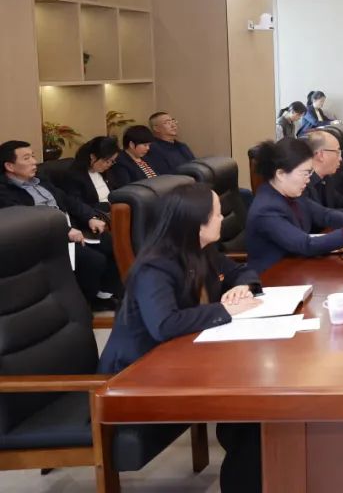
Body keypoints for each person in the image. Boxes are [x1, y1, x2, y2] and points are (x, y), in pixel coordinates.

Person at [97, 183, 264, 493]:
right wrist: (225, 310)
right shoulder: (155, 267)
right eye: (217, 214)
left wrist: (243, 286)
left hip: (181, 360)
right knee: (249, 413)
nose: (223, 219)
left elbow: (239, 270)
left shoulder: (201, 250)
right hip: (136, 377)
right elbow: (165, 324)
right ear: (196, 223)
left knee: (252, 405)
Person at [0, 140, 112, 308]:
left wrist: (90, 217)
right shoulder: (4, 192)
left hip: (71, 227)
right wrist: (64, 230)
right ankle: (82, 304)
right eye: (26, 158)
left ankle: (104, 293)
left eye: (33, 156)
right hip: (45, 237)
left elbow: (68, 200)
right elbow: (27, 219)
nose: (34, 162)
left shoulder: (40, 180)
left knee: (111, 243)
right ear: (9, 166)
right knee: (93, 260)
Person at [245, 139, 343, 273]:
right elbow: (306, 245)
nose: (308, 179)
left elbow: (325, 215)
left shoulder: (292, 195)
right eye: (305, 173)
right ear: (281, 174)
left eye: (310, 173)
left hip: (297, 268)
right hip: (273, 278)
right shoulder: (267, 209)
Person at [61, 135, 121, 214]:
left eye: (112, 161)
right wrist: (107, 206)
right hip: (96, 216)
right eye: (107, 161)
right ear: (93, 157)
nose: (109, 164)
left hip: (114, 212)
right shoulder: (74, 176)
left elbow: (117, 191)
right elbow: (77, 205)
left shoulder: (106, 172)